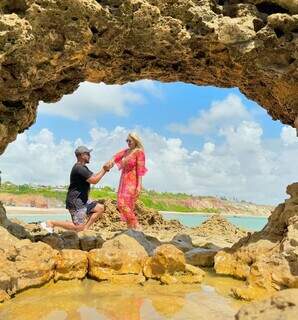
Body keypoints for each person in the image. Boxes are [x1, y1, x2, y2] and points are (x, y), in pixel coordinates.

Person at [41, 146, 110, 233]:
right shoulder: (79, 168)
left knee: (99, 208)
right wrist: (104, 170)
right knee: (78, 228)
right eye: (88, 154)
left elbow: (94, 176)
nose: (90, 156)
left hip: (83, 200)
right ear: (82, 155)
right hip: (76, 201)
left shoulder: (83, 167)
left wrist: (105, 169)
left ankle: (85, 229)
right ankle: (51, 222)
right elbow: (94, 180)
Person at [107, 133, 147, 229]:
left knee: (123, 204)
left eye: (130, 141)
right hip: (123, 181)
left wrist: (139, 185)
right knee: (125, 205)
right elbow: (115, 157)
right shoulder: (126, 151)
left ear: (135, 141)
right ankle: (130, 229)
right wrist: (110, 162)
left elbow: (140, 170)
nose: (128, 142)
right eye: (127, 141)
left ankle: (136, 225)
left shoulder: (139, 152)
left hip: (132, 182)